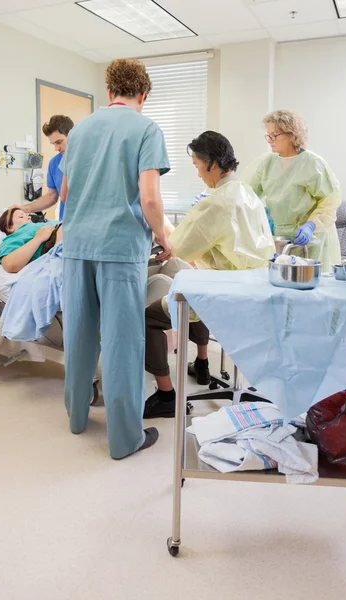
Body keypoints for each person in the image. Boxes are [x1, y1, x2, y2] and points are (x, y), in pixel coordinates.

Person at [60, 58, 172, 460]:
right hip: (120, 248)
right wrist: (162, 236)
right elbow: (149, 198)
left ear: (110, 92)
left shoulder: (81, 129)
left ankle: (76, 418)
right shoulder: (146, 129)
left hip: (76, 245)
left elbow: (66, 193)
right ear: (143, 95)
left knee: (78, 333)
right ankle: (125, 439)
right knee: (123, 341)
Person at [143, 131, 275, 419]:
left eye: (196, 166)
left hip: (226, 293)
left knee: (150, 314)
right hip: (255, 289)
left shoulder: (215, 203)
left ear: (212, 164)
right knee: (193, 285)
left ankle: (166, 396)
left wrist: (158, 222)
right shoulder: (247, 193)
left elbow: (178, 247)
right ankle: (202, 364)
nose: (198, 174)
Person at [241, 110, 341, 271]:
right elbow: (246, 193)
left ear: (292, 134)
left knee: (309, 285)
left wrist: (311, 226)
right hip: (280, 239)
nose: (270, 140)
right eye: (268, 135)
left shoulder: (312, 163)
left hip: (311, 239)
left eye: (275, 135)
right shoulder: (267, 162)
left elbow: (330, 201)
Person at [12, 115, 74, 220]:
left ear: (72, 135)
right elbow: (52, 196)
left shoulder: (88, 160)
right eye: (53, 144)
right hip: (65, 224)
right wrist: (24, 209)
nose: (56, 148)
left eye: (59, 142)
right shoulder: (54, 163)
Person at [0, 208, 61, 273]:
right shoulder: (13, 238)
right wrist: (39, 238)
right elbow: (10, 264)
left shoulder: (40, 224)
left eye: (27, 215)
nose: (29, 218)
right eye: (21, 217)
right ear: (9, 228)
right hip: (56, 240)